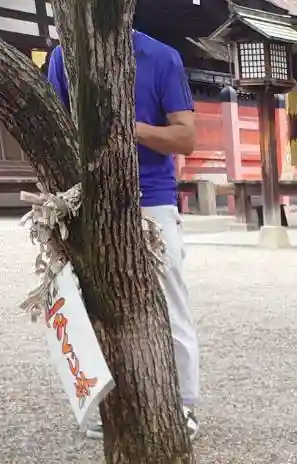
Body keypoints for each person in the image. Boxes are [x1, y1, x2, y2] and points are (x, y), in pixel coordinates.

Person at [48, 31, 201, 438]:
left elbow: (186, 138)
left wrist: (128, 128)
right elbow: (52, 129)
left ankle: (183, 403)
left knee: (169, 298)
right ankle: (111, 406)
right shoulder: (63, 57)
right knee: (93, 303)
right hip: (88, 197)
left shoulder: (161, 56)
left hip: (152, 197)